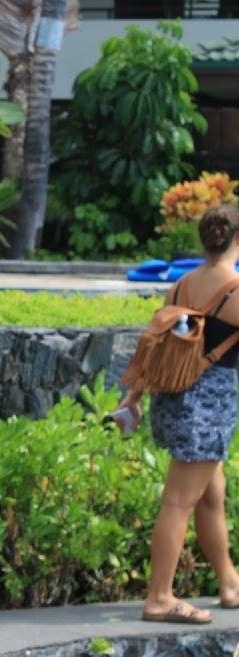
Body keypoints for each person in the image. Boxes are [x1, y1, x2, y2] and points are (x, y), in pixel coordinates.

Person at [119, 204, 239, 625]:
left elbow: (159, 344)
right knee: (178, 500)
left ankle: (229, 583)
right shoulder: (233, 289)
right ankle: (160, 598)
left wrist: (133, 396)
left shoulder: (181, 285)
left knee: (210, 494)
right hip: (206, 407)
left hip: (173, 400)